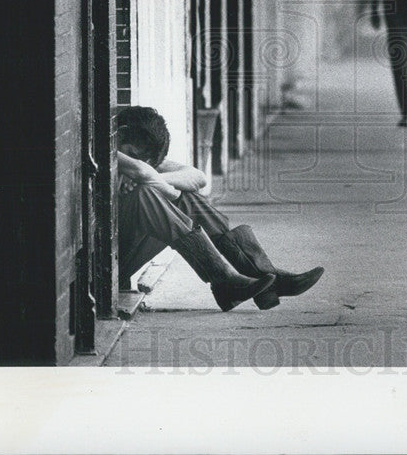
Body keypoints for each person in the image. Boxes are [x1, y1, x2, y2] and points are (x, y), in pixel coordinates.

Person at [116, 105, 324, 312]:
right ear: (121, 133)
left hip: (122, 251)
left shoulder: (137, 155)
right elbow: (141, 171)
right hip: (105, 269)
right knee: (145, 194)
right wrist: (149, 179)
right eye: (133, 154)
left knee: (186, 198)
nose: (139, 161)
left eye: (144, 160)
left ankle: (262, 278)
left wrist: (158, 180)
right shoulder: (104, 149)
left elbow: (198, 177)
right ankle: (227, 280)